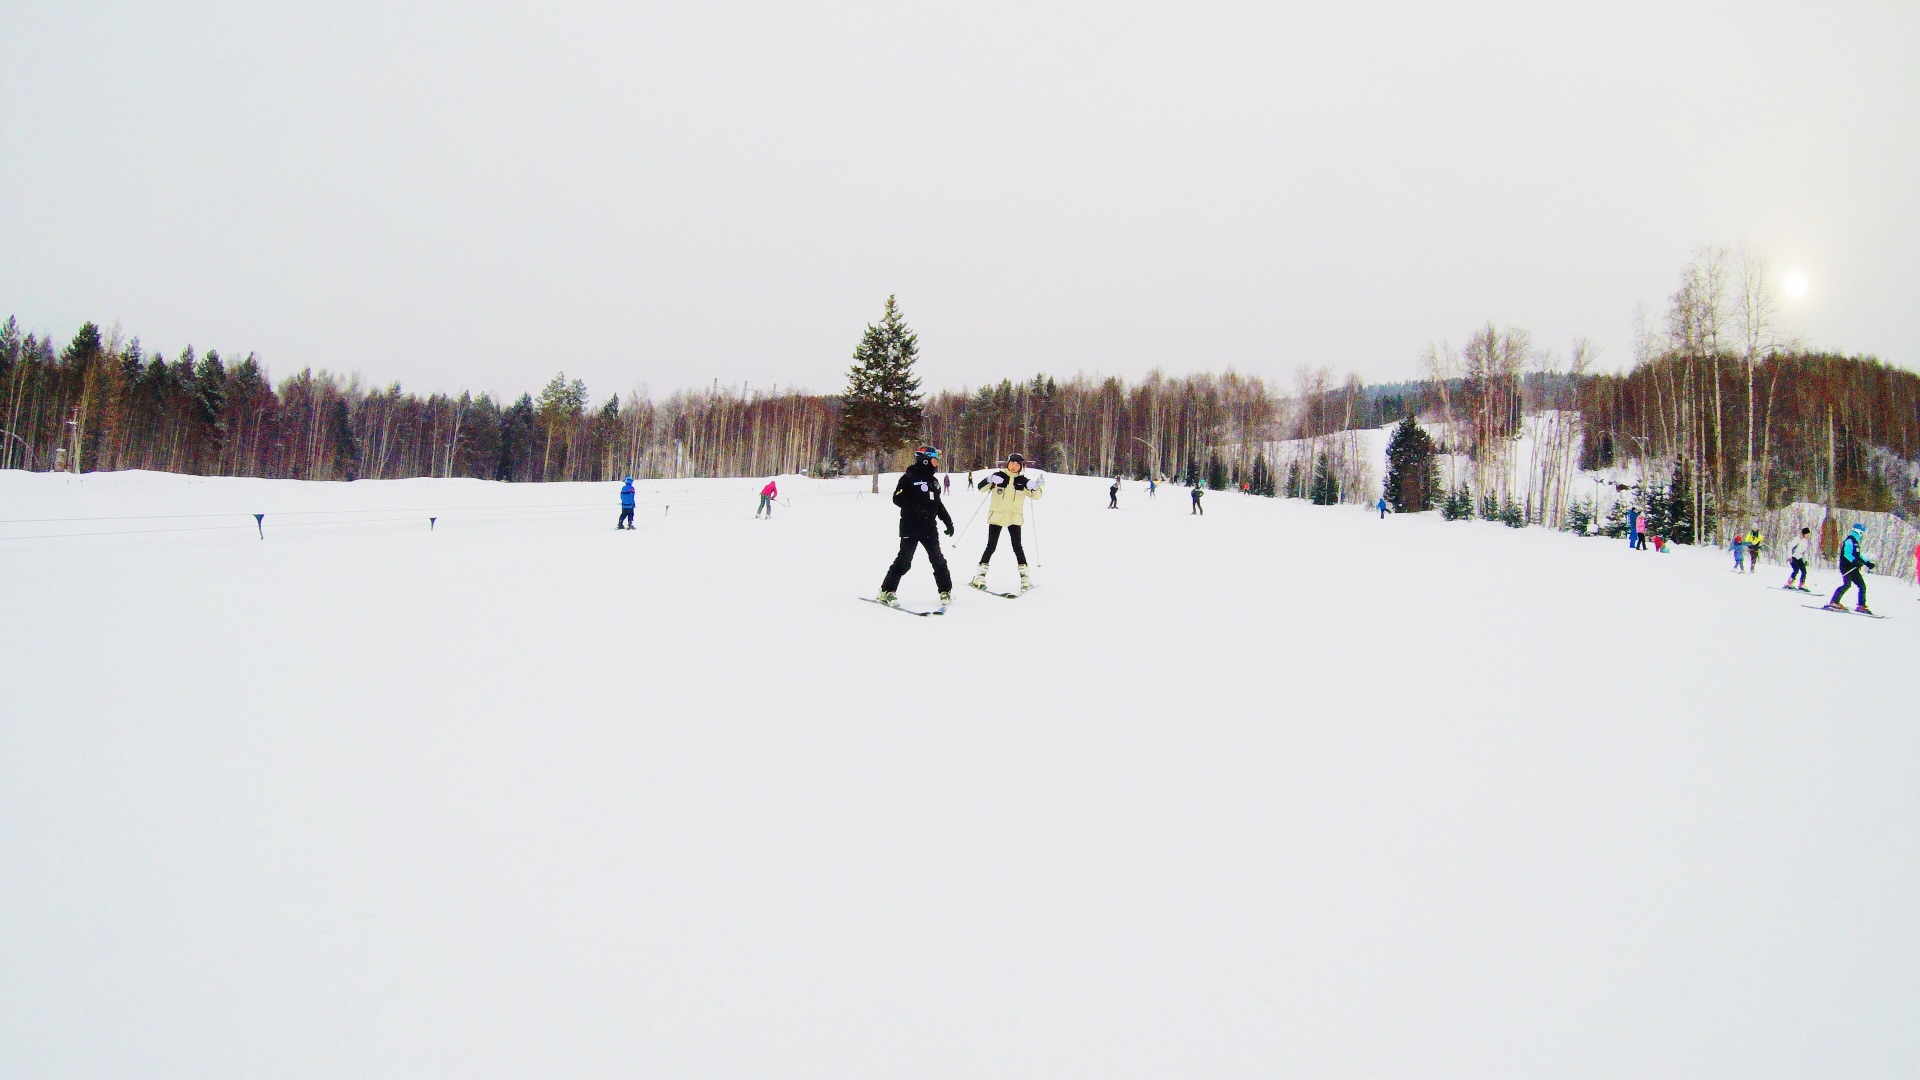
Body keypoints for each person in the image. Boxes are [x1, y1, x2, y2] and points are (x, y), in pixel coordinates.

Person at [876, 446, 956, 609]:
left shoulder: (934, 481)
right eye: (934, 459)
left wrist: (948, 521)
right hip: (910, 527)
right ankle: (887, 591)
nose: (936, 463)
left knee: (937, 559)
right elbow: (897, 498)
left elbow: (937, 504)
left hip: (929, 529)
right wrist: (917, 508)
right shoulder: (909, 477)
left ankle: (945, 590)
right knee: (904, 561)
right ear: (925, 460)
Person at [970, 453, 1043, 592]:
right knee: (991, 546)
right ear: (1008, 463)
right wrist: (990, 479)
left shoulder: (1022, 480)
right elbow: (981, 488)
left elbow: (1037, 496)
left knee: (1017, 547)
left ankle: (1025, 578)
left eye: (1018, 464)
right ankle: (979, 576)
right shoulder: (999, 476)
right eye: (1012, 463)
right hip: (997, 516)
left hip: (1014, 518)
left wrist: (1035, 487)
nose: (1014, 466)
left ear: (1021, 466)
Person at [1824, 522, 1875, 613]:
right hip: (1846, 567)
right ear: (1858, 532)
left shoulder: (1855, 542)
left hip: (1853, 568)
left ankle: (1861, 605)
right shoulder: (1850, 540)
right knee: (1847, 584)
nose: (1862, 534)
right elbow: (1847, 554)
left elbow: (1858, 555)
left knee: (1862, 586)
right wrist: (1855, 562)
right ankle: (1834, 602)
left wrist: (1867, 562)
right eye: (1862, 532)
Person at [1784, 527, 1812, 591]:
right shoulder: (1797, 539)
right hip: (1793, 556)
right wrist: (1789, 557)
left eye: (1809, 535)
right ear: (1804, 534)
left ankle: (1801, 584)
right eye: (1807, 534)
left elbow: (1804, 552)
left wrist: (1806, 560)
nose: (1808, 536)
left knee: (1804, 571)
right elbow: (1790, 547)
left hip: (1799, 557)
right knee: (1796, 570)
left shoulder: (1806, 541)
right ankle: (1789, 583)